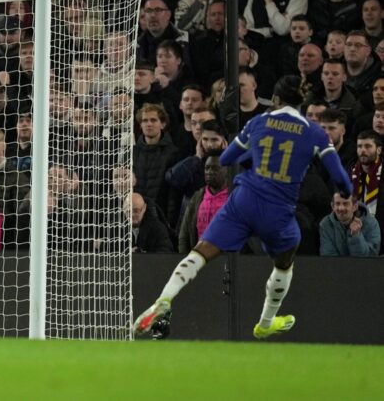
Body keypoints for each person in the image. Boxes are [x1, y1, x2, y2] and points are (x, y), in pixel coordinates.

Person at [132, 75, 353, 340]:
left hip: (243, 200)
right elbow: (340, 178)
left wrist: (255, 156)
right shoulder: (315, 132)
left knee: (200, 253)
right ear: (301, 103)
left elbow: (226, 158)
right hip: (278, 210)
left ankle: (164, 299)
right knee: (284, 265)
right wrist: (346, 191)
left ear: (275, 100)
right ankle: (265, 322)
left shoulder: (258, 122)